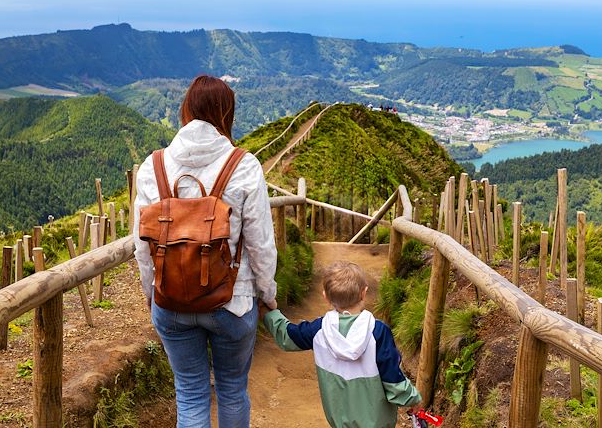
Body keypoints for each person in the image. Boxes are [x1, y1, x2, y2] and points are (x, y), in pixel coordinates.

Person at [133, 75, 278, 428]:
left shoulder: (153, 168)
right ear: (225, 114)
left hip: (171, 303)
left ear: (185, 110)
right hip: (233, 300)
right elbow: (260, 243)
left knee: (190, 392)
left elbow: (141, 245)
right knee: (231, 389)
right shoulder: (244, 165)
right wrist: (267, 295)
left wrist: (151, 294)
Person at [260, 261, 421, 428]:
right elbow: (392, 378)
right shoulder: (378, 332)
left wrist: (269, 314)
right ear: (363, 293)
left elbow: (288, 335)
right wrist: (413, 399)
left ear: (326, 297)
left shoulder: (319, 329)